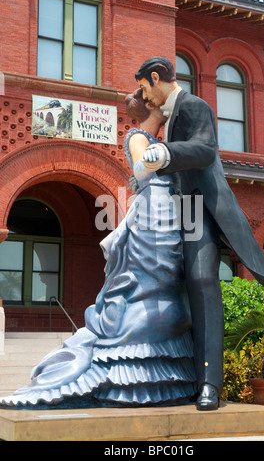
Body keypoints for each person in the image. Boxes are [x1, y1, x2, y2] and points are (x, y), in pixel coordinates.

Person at [0, 89, 197, 410]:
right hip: (153, 210)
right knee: (140, 291)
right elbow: (143, 171)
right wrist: (164, 156)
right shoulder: (138, 138)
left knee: (154, 285)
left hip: (161, 215)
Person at [135, 57, 264, 411]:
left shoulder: (194, 105)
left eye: (144, 88)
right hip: (174, 215)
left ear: (156, 78)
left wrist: (165, 151)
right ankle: (176, 378)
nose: (143, 96)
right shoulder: (167, 118)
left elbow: (204, 150)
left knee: (202, 283)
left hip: (199, 212)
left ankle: (209, 384)